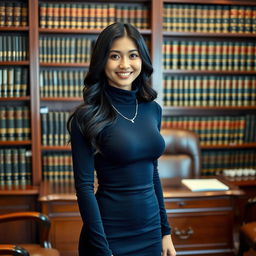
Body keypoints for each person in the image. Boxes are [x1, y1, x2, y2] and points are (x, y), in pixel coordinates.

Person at [67, 22, 176, 256]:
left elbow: (153, 173)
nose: (125, 65)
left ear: (142, 60)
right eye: (114, 56)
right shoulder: (86, 116)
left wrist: (165, 232)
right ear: (102, 61)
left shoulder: (152, 109)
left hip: (150, 232)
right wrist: (102, 248)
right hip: (109, 234)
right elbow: (84, 188)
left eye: (132, 55)